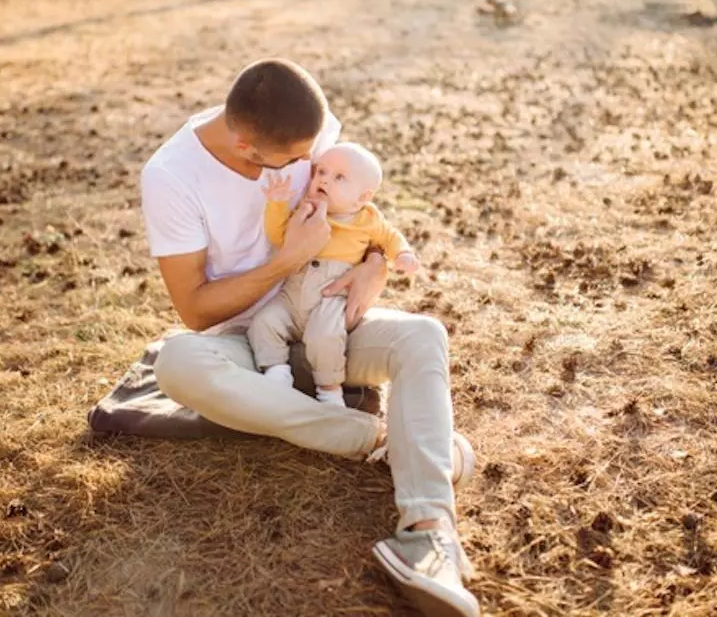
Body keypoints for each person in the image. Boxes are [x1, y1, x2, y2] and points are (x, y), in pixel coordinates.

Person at [109, 58, 481, 617]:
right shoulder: (171, 177)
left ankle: (428, 533)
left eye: (315, 155)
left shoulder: (307, 128)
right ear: (246, 149)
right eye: (296, 162)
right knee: (176, 364)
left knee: (424, 333)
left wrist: (375, 262)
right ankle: (378, 441)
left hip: (327, 317)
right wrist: (287, 260)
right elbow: (193, 309)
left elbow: (360, 203)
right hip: (243, 342)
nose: (311, 168)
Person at [248, 141, 420, 406]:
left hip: (331, 297)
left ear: (362, 198)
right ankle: (276, 371)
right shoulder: (308, 211)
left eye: (339, 177)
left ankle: (329, 390)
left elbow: (390, 237)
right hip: (293, 294)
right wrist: (277, 204)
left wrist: (403, 254)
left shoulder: (368, 219)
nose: (324, 180)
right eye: (321, 172)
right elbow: (279, 235)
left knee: (326, 337)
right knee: (265, 321)